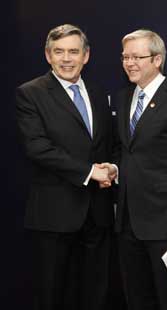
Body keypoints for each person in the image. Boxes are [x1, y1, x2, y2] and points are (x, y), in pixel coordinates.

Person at [103, 29, 167, 310]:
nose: (129, 63)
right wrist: (113, 168)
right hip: (127, 220)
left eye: (137, 56)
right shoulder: (124, 97)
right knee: (136, 297)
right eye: (125, 56)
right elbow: (124, 149)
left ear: (157, 59)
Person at [15, 24, 115, 310]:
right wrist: (89, 172)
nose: (66, 59)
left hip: (97, 212)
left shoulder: (97, 92)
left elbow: (102, 143)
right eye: (59, 52)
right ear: (48, 56)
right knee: (52, 294)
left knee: (95, 292)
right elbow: (38, 148)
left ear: (86, 56)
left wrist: (108, 169)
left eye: (73, 51)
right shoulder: (30, 93)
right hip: (54, 214)